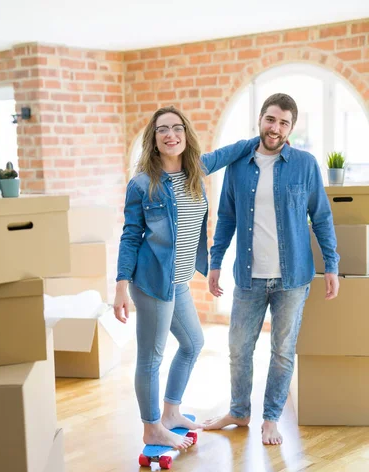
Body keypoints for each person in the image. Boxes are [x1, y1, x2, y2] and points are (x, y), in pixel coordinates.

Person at [114, 105, 258, 450]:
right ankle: (151, 428)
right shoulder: (142, 185)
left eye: (176, 128)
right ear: (153, 139)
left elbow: (231, 151)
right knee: (151, 357)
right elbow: (130, 236)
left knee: (193, 343)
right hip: (151, 282)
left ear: (185, 134)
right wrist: (120, 286)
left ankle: (171, 413)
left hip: (178, 281)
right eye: (162, 129)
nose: (170, 135)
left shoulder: (197, 170)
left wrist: (268, 134)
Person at [204, 93, 340, 445]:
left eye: (283, 122)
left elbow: (321, 217)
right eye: (270, 119)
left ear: (291, 127)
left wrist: (331, 265)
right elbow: (226, 218)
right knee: (238, 348)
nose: (275, 128)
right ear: (260, 120)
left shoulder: (304, 164)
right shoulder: (238, 165)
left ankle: (270, 418)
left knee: (281, 350)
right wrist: (215, 261)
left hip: (293, 278)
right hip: (249, 277)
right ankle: (239, 410)